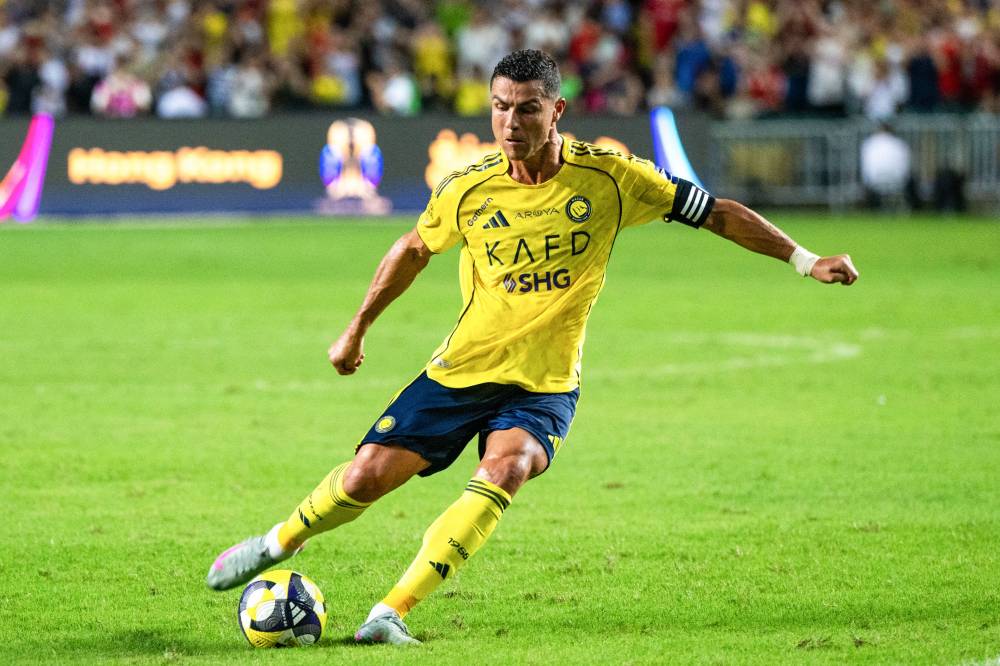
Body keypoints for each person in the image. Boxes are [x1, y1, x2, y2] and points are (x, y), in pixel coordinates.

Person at [205, 49, 859, 645]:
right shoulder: (468, 188)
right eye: (499, 107)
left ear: (557, 111)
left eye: (526, 108)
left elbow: (713, 210)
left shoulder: (610, 178)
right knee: (364, 478)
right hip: (462, 369)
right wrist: (357, 328)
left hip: (545, 383)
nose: (510, 122)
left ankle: (390, 612)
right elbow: (411, 249)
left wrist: (804, 259)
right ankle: (276, 542)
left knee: (506, 469)